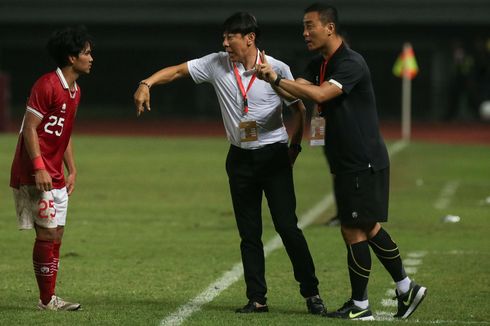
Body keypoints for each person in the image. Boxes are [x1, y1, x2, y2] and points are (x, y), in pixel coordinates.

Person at [133, 12, 326, 315]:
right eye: (223, 37)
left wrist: (295, 147)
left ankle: (311, 292)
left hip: (274, 156)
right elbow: (178, 72)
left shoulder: (276, 68)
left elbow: (299, 110)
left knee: (287, 227)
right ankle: (257, 298)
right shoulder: (217, 63)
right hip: (239, 159)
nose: (224, 43)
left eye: (230, 37)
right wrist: (147, 83)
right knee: (249, 233)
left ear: (249, 38)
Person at [256, 3, 427, 320]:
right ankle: (404, 288)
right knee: (366, 226)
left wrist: (277, 79)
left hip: (361, 160)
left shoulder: (351, 62)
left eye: (310, 26)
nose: (305, 33)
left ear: (330, 28)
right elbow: (306, 90)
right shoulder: (320, 63)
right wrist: (281, 81)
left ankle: (366, 303)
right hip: (347, 160)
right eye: (303, 27)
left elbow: (319, 96)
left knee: (354, 228)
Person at [10, 26, 94, 311]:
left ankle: (50, 297)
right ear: (71, 57)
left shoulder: (75, 90)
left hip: (55, 173)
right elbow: (30, 129)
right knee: (46, 234)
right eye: (86, 52)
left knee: (56, 234)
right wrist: (39, 168)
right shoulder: (47, 85)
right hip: (36, 173)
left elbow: (63, 133)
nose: (91, 57)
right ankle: (47, 300)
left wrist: (72, 168)